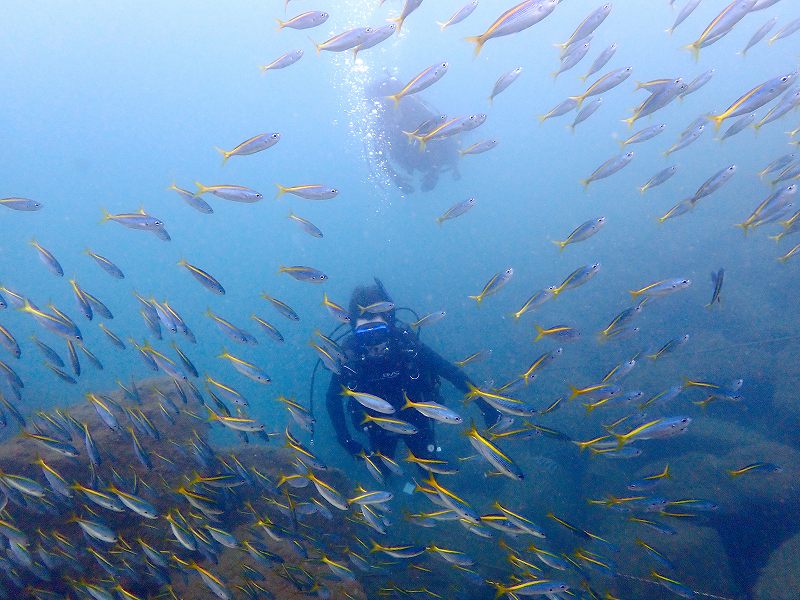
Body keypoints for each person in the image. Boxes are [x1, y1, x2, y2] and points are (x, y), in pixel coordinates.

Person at [326, 279, 500, 472]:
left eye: (378, 332)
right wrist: (344, 438)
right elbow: (332, 399)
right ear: (353, 331)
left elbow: (451, 372)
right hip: (376, 425)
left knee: (429, 470)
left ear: (390, 324)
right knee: (383, 472)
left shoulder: (407, 347)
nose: (373, 343)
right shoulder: (349, 358)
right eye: (364, 335)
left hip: (418, 420)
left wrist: (486, 406)